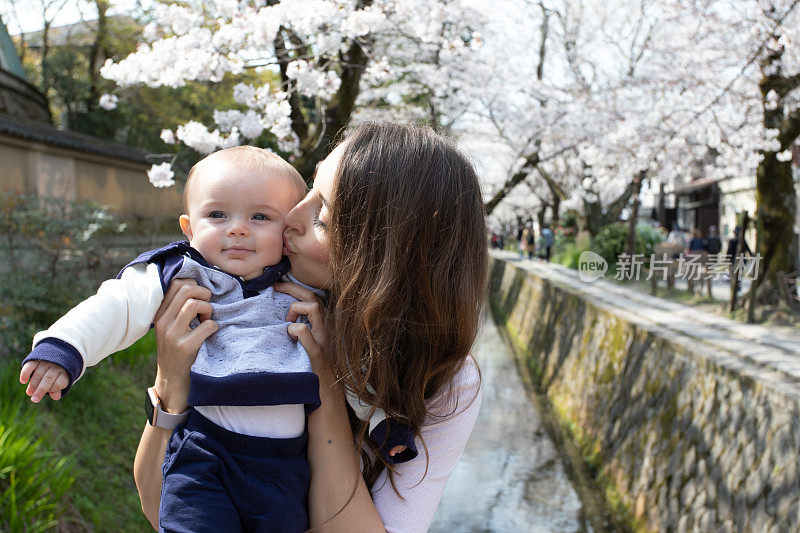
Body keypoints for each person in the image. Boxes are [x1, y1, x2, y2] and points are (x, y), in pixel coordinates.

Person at [19, 145, 414, 532]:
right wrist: (64, 348)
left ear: (288, 231)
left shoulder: (301, 291)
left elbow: (349, 362)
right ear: (189, 228)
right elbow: (115, 306)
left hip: (285, 466)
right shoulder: (182, 274)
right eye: (217, 214)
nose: (237, 228)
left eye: (260, 216)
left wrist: (383, 422)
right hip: (205, 451)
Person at [132, 122, 485, 532]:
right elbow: (157, 508)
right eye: (309, 191)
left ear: (381, 256)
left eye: (323, 217)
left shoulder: (447, 381)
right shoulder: (242, 298)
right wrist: (170, 383)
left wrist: (323, 381)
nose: (292, 218)